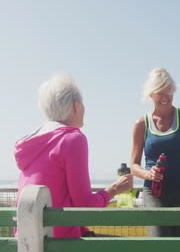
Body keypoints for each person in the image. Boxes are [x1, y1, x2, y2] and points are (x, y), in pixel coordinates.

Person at [15, 75, 133, 238]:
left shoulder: (32, 144)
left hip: (28, 241)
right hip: (59, 242)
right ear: (75, 106)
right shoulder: (72, 139)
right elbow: (85, 206)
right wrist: (114, 190)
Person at [130, 68, 180, 237]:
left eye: (169, 91)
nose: (165, 97)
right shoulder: (141, 124)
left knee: (178, 244)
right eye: (160, 92)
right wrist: (148, 174)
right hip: (153, 193)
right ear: (151, 95)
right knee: (158, 241)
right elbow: (133, 165)